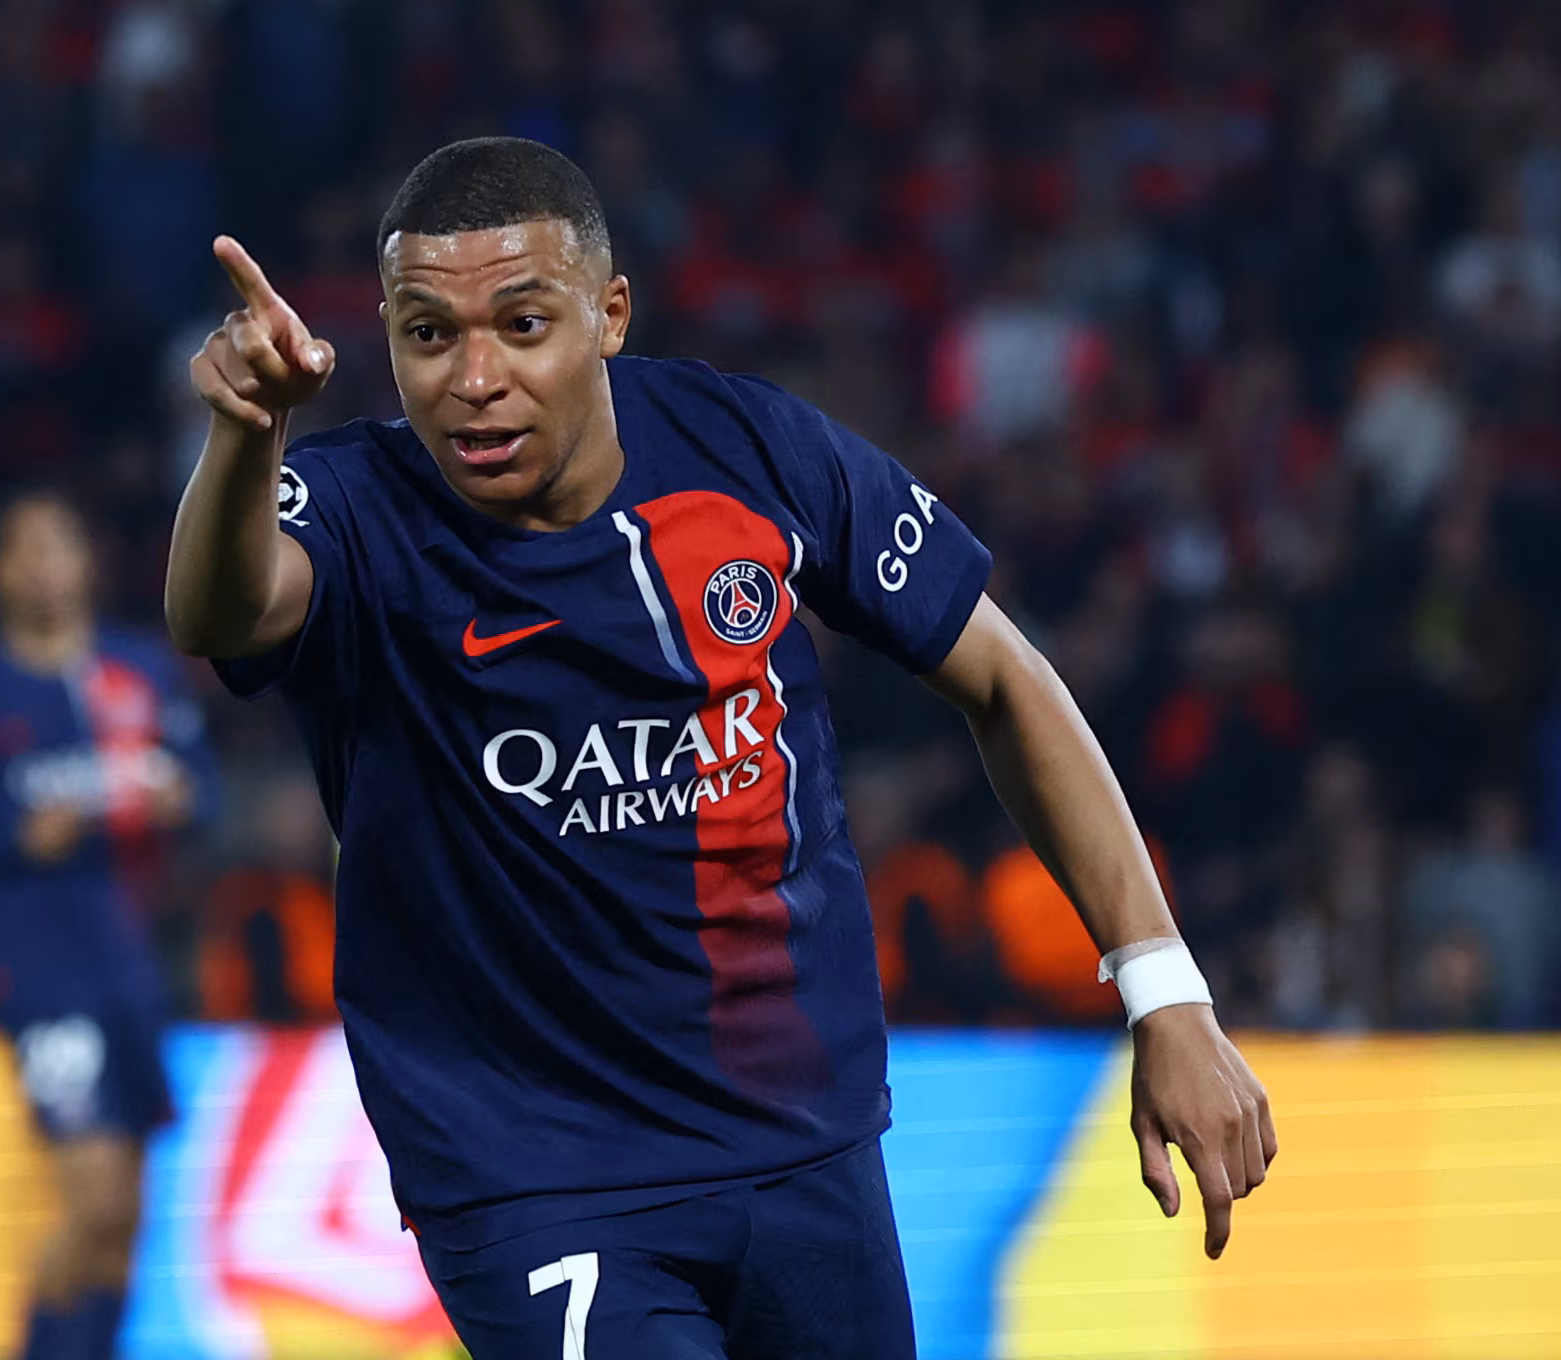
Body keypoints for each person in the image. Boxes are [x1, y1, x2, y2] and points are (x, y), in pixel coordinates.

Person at [166, 138, 1275, 1359]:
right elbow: (222, 613)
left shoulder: (751, 453)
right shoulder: (355, 506)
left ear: (609, 315)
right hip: (537, 1174)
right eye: (428, 336)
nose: (474, 378)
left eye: (522, 325)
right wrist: (244, 436)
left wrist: (1163, 991)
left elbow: (1006, 676)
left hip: (802, 1143)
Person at [0, 489, 218, 1360]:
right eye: (25, 549)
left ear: (88, 561)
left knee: (127, 1226)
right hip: (40, 970)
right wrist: (12, 837)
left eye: (60, 545)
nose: (44, 565)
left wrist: (176, 800)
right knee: (94, 1205)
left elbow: (202, 789)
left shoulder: (139, 669)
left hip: (136, 969)